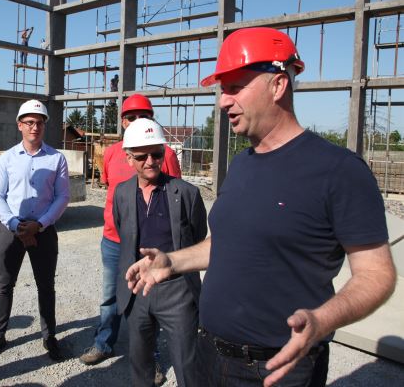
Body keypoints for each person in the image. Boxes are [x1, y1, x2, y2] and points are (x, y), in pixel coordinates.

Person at [126, 27, 397, 387]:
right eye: (222, 90)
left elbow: (377, 275)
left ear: (278, 84)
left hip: (277, 368)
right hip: (208, 354)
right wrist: (172, 262)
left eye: (235, 87)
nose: (223, 102)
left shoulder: (339, 171)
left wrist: (322, 320)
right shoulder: (242, 164)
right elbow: (229, 243)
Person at [80, 94, 181, 379]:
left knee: (150, 300)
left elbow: (176, 195)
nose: (136, 121)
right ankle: (104, 343)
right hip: (114, 240)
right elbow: (110, 188)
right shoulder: (113, 153)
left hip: (149, 244)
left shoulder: (165, 154)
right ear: (123, 121)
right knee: (110, 296)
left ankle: (151, 357)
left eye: (143, 116)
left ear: (152, 119)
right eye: (130, 117)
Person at [114, 118, 207, 386]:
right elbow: (123, 233)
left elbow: (198, 236)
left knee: (187, 365)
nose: (150, 161)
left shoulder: (187, 193)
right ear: (129, 158)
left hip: (178, 291)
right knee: (140, 363)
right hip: (137, 289)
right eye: (141, 156)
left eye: (156, 154)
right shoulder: (122, 193)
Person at [0, 99, 70, 362]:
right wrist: (14, 224)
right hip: (11, 229)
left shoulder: (56, 159)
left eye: (39, 123)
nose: (34, 127)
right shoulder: (7, 158)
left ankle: (49, 336)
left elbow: (62, 197)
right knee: (4, 284)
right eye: (29, 122)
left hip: (43, 230)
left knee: (46, 286)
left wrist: (40, 224)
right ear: (19, 125)